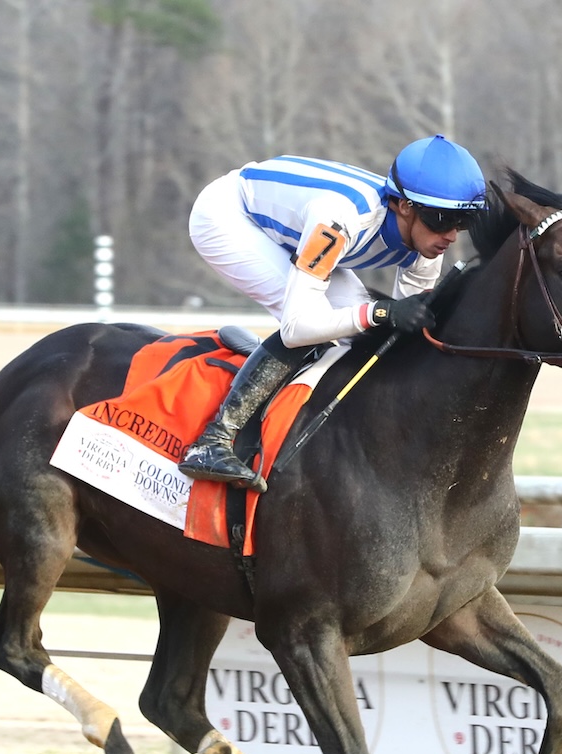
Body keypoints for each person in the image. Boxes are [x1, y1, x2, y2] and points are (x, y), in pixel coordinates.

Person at [178, 134, 487, 492]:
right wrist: (380, 312)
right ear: (404, 206)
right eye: (442, 219)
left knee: (358, 329)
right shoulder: (340, 219)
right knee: (319, 322)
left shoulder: (426, 241)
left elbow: (406, 335)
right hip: (228, 217)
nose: (450, 235)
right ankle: (213, 440)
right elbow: (297, 327)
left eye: (461, 223)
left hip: (290, 227)